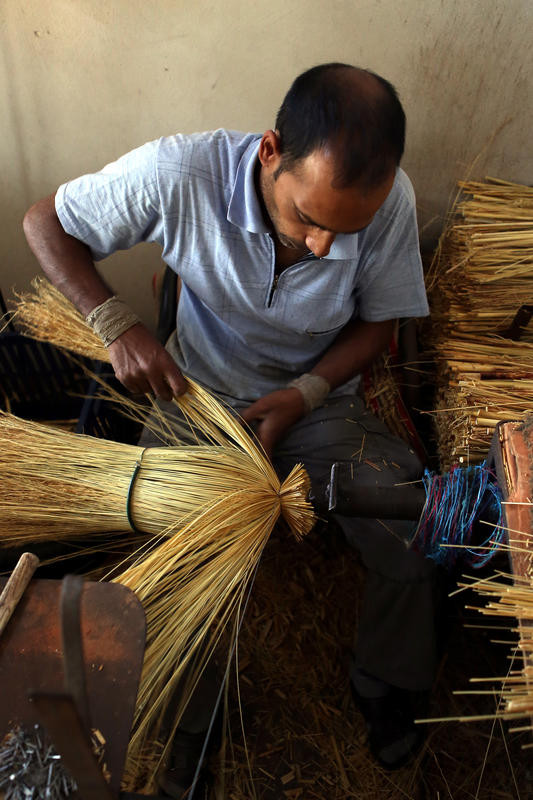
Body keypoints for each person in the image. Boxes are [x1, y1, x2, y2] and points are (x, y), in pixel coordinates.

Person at [23, 63, 436, 785]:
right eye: (307, 217)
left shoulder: (388, 199)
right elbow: (43, 221)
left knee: (410, 518)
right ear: (270, 151)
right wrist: (117, 325)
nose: (319, 246)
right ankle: (194, 713)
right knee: (186, 551)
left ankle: (386, 682)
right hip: (198, 397)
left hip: (314, 402)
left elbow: (379, 324)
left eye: (345, 231)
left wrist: (304, 394)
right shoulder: (179, 172)